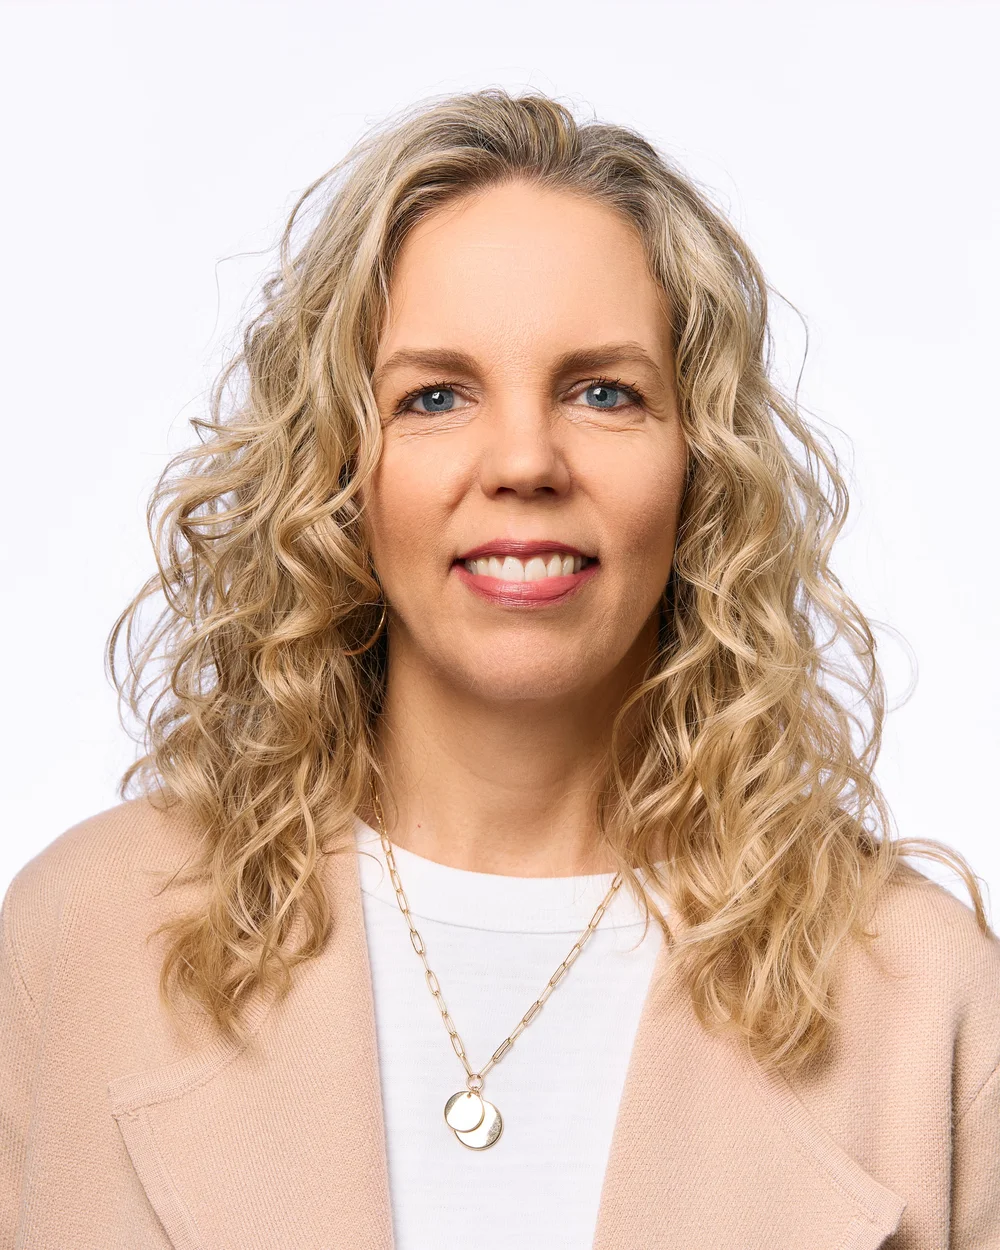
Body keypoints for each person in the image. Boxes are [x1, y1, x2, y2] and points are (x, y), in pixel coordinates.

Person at [1, 87, 997, 1250]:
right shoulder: (83, 935)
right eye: (434, 394)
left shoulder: (927, 996)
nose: (524, 459)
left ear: (699, 467)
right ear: (336, 467)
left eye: (602, 391)